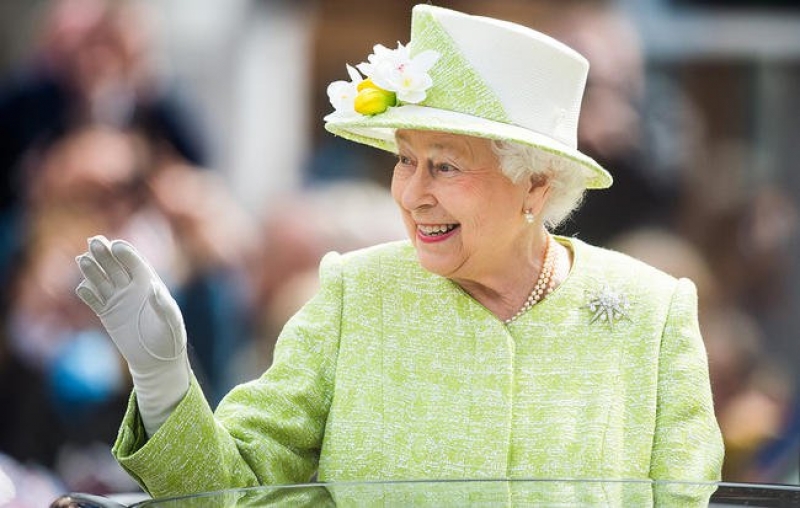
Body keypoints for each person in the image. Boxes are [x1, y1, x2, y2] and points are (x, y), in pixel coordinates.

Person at [73, 4, 723, 505]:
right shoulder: (354, 297)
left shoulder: (651, 314)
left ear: (536, 184)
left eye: (443, 166)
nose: (412, 195)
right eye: (405, 160)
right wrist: (163, 383)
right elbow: (235, 492)